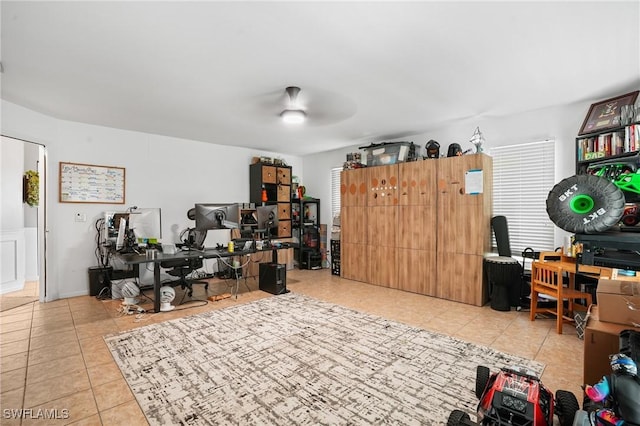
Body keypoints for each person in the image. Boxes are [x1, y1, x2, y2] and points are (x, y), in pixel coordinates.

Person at [584, 353, 640, 425]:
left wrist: (587, 388)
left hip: (626, 424)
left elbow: (596, 395)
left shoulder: (612, 380)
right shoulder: (638, 382)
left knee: (598, 413)